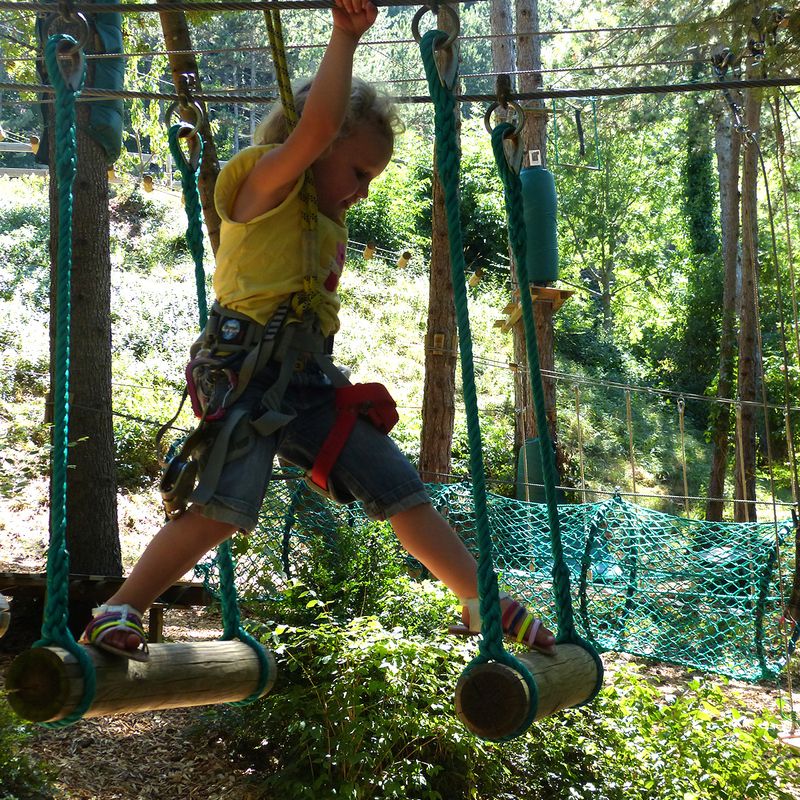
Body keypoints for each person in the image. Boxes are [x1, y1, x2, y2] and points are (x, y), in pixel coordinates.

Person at [81, 0, 556, 663]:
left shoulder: (326, 224)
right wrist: (343, 37)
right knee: (224, 509)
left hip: (304, 381)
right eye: (359, 172)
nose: (363, 191)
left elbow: (325, 146)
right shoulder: (262, 185)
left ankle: (478, 597)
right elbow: (317, 130)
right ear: (313, 144)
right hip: (242, 369)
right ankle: (119, 606)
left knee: (400, 489)